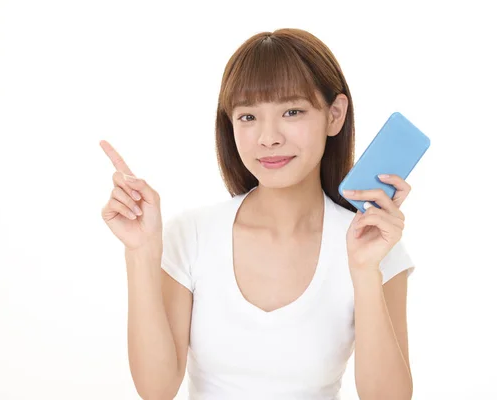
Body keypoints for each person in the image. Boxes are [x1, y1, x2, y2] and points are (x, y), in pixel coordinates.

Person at [100, 28, 415, 400]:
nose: (268, 137)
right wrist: (140, 253)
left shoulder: (373, 241)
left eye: (292, 111)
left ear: (335, 115)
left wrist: (364, 273)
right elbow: (157, 389)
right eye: (248, 117)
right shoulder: (193, 235)